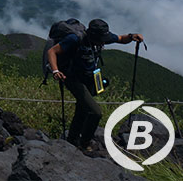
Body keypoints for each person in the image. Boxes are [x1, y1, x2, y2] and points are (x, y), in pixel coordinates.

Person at [46, 18, 144, 150]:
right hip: (72, 78)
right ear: (93, 36)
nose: (104, 42)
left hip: (88, 77)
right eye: (101, 40)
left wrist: (132, 37)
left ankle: (72, 139)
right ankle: (84, 143)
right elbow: (52, 51)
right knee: (95, 112)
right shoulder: (75, 39)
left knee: (82, 109)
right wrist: (55, 70)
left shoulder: (100, 37)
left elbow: (121, 39)